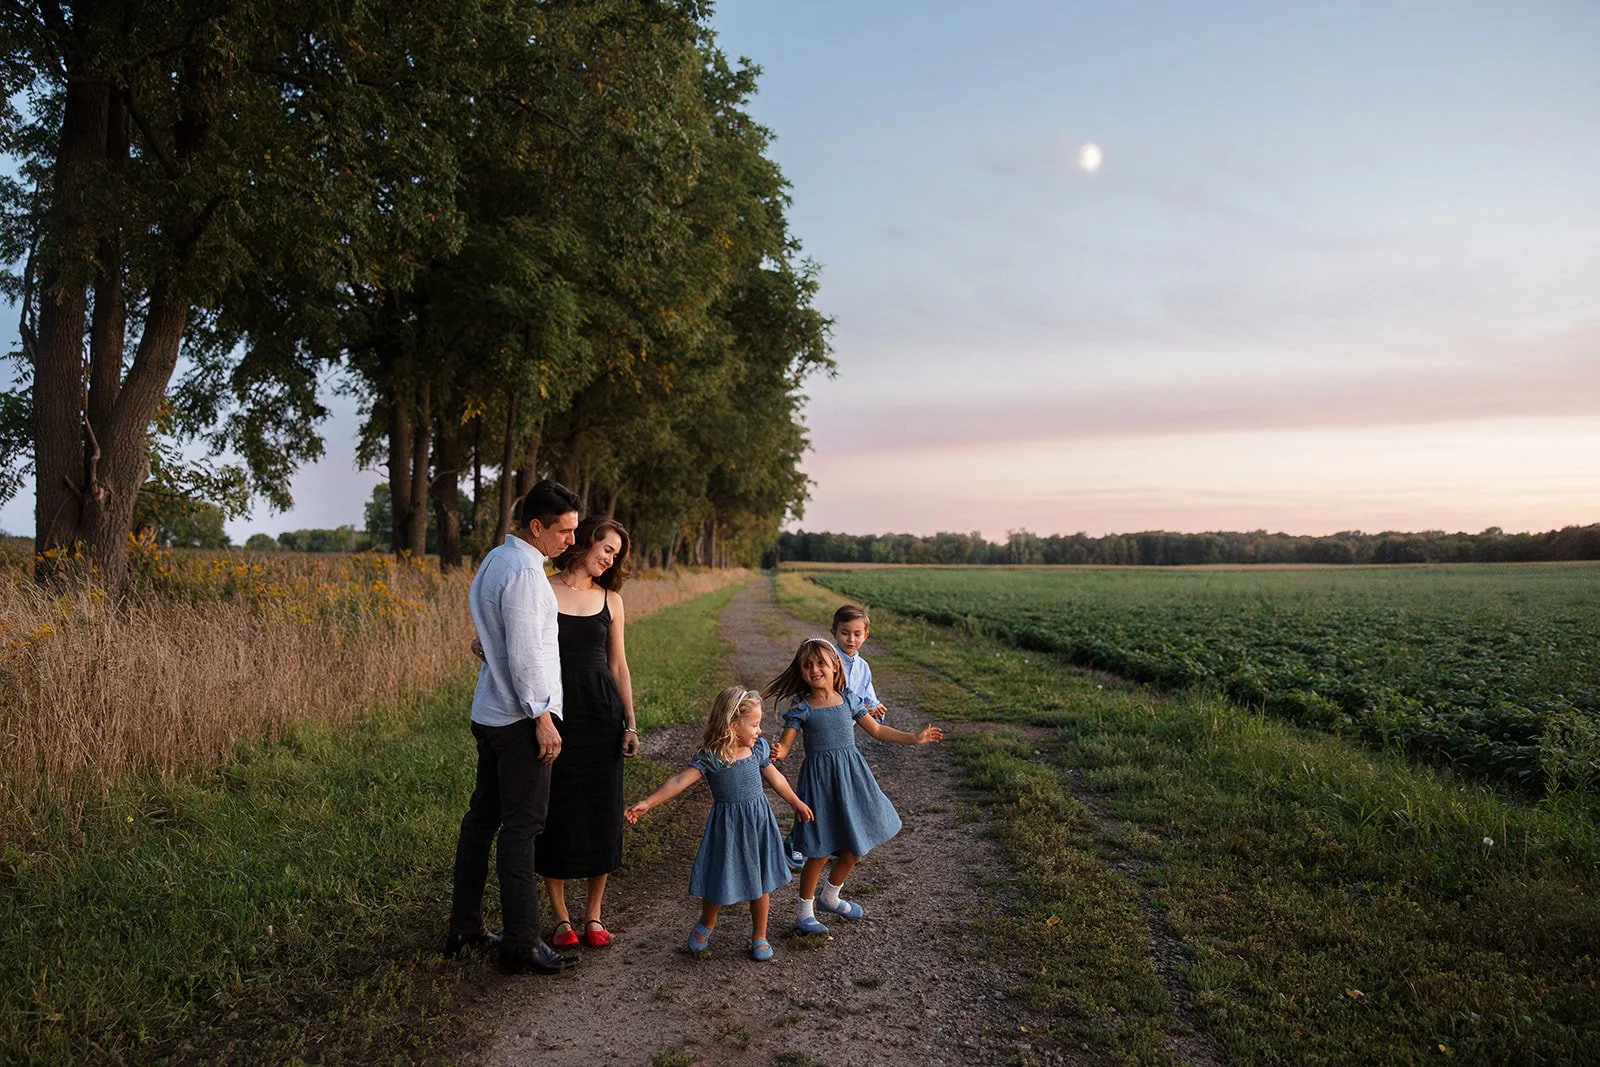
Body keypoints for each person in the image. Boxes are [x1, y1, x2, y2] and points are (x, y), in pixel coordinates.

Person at [445, 479, 582, 975]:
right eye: (564, 532)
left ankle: (465, 925)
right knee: (522, 831)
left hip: (491, 713)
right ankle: (521, 942)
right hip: (520, 720)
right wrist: (542, 718)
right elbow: (526, 658)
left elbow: (489, 634)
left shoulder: (495, 561)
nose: (571, 541)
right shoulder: (525, 573)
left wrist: (488, 648)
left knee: (481, 821)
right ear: (537, 526)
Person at [764, 637, 942, 935]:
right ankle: (803, 913)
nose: (814, 669)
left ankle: (830, 897)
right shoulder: (802, 709)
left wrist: (914, 737)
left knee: (854, 846)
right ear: (800, 670)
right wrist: (776, 752)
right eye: (807, 665)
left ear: (836, 665)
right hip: (820, 784)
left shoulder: (849, 700)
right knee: (819, 850)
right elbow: (785, 746)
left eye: (821, 662)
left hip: (852, 779)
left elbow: (878, 730)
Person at [624, 686, 812, 961]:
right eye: (754, 724)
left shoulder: (757, 750)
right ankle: (706, 924)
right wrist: (648, 803)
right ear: (732, 725)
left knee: (761, 882)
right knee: (718, 878)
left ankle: (759, 935)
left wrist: (795, 802)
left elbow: (776, 779)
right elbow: (679, 781)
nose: (759, 731)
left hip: (757, 823)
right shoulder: (712, 756)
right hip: (727, 827)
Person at [538, 516, 640, 950]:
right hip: (557, 715)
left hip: (602, 715)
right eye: (606, 549)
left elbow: (618, 664)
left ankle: (594, 914)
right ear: (585, 542)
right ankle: (561, 919)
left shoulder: (611, 600)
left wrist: (630, 722)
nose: (609, 559)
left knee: (602, 810)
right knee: (556, 811)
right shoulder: (543, 588)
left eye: (615, 554)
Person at [778, 603, 891, 870]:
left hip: (843, 741)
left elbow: (866, 701)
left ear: (866, 635)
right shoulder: (826, 657)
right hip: (822, 741)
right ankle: (799, 842)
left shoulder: (863, 668)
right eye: (844, 633)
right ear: (834, 633)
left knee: (842, 798)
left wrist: (873, 709)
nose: (850, 639)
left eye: (856, 634)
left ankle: (840, 841)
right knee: (821, 799)